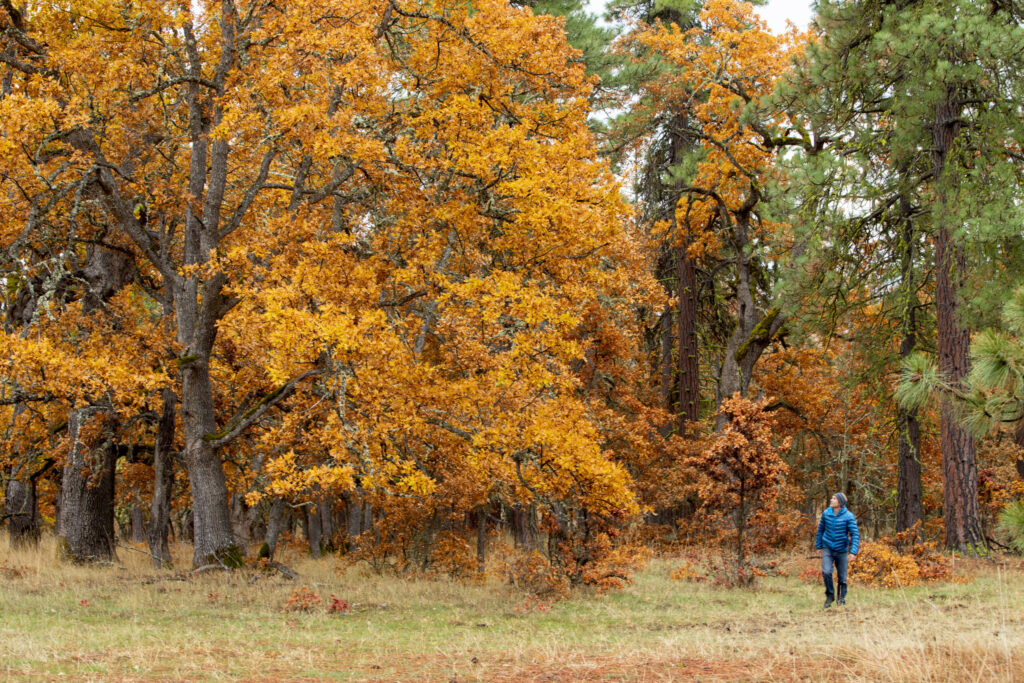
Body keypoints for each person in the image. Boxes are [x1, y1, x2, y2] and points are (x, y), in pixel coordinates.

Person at [815, 492, 859, 607]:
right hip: (828, 548)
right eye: (832, 498)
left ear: (840, 502)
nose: (831, 500)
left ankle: (841, 599)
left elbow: (855, 534)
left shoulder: (848, 516)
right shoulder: (826, 513)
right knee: (826, 572)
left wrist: (853, 552)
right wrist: (819, 546)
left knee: (842, 578)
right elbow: (820, 530)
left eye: (834, 499)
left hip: (842, 550)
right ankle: (830, 596)